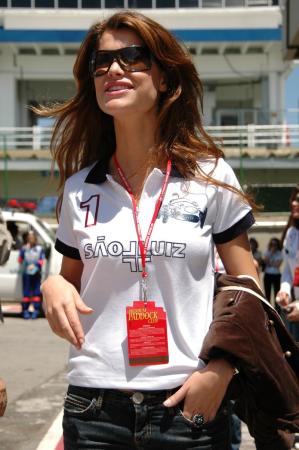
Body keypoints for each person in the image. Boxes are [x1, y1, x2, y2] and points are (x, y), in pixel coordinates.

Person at [38, 11, 260, 449]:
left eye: (132, 57)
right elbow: (70, 282)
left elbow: (248, 285)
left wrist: (222, 369)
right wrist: (52, 286)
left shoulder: (211, 176)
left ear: (163, 78)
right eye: (100, 63)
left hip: (189, 406)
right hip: (94, 408)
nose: (113, 69)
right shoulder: (80, 189)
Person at [276, 186, 299, 340]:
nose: (294, 203)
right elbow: (288, 271)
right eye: (294, 199)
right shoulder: (291, 233)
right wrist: (284, 291)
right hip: (295, 308)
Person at [18, 230, 45, 319]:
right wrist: (24, 257)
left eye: (32, 238)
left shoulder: (39, 249)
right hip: (26, 274)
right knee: (26, 292)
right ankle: (25, 310)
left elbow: (42, 261)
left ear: (35, 239)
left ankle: (36, 310)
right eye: (29, 238)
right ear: (27, 239)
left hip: (36, 273)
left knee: (36, 292)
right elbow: (19, 260)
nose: (31, 239)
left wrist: (35, 265)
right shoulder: (24, 248)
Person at [263, 237, 283, 306]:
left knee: (276, 293)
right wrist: (271, 253)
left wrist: (271, 262)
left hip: (276, 275)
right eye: (272, 244)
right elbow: (266, 262)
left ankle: (277, 309)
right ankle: (268, 309)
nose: (273, 246)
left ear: (277, 245)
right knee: (267, 293)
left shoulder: (280, 253)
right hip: (268, 274)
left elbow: (277, 265)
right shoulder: (267, 252)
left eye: (275, 244)